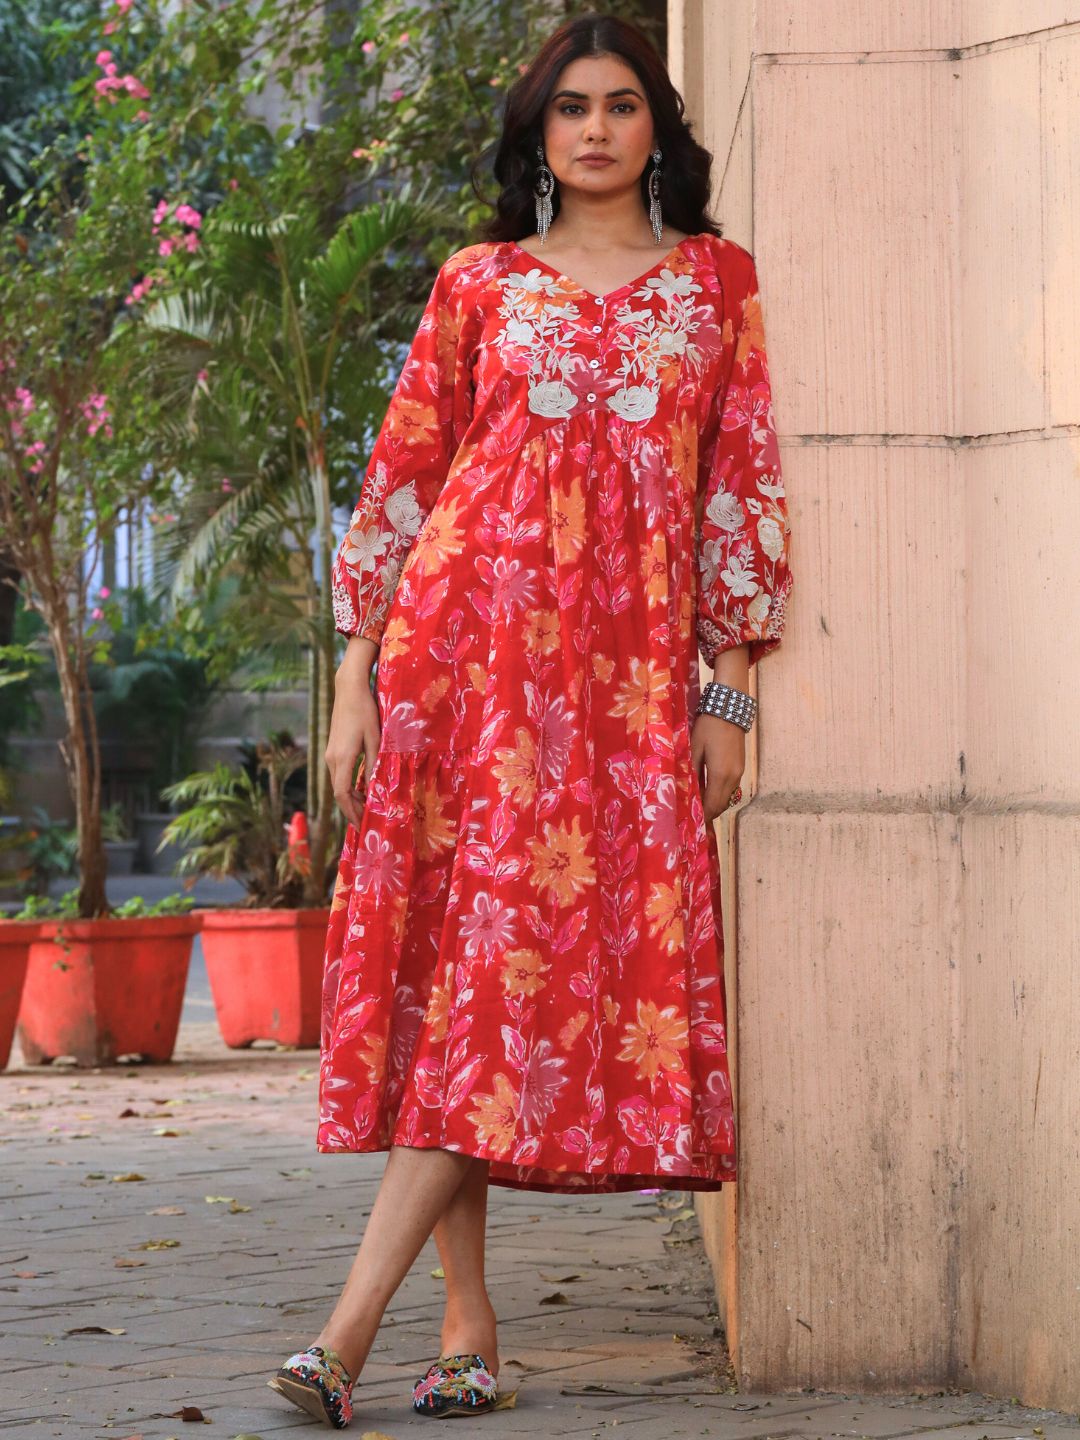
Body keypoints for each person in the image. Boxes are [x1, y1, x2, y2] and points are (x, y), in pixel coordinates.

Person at [268, 10, 793, 1430]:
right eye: (572, 108)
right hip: (465, 666)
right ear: (539, 135)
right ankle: (427, 1326)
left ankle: (400, 1330)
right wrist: (356, 677)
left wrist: (729, 690)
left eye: (622, 104)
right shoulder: (479, 281)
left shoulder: (715, 284)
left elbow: (739, 484)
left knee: (501, 994)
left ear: (657, 129)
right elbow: (402, 475)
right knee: (464, 983)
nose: (597, 129)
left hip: (620, 693)